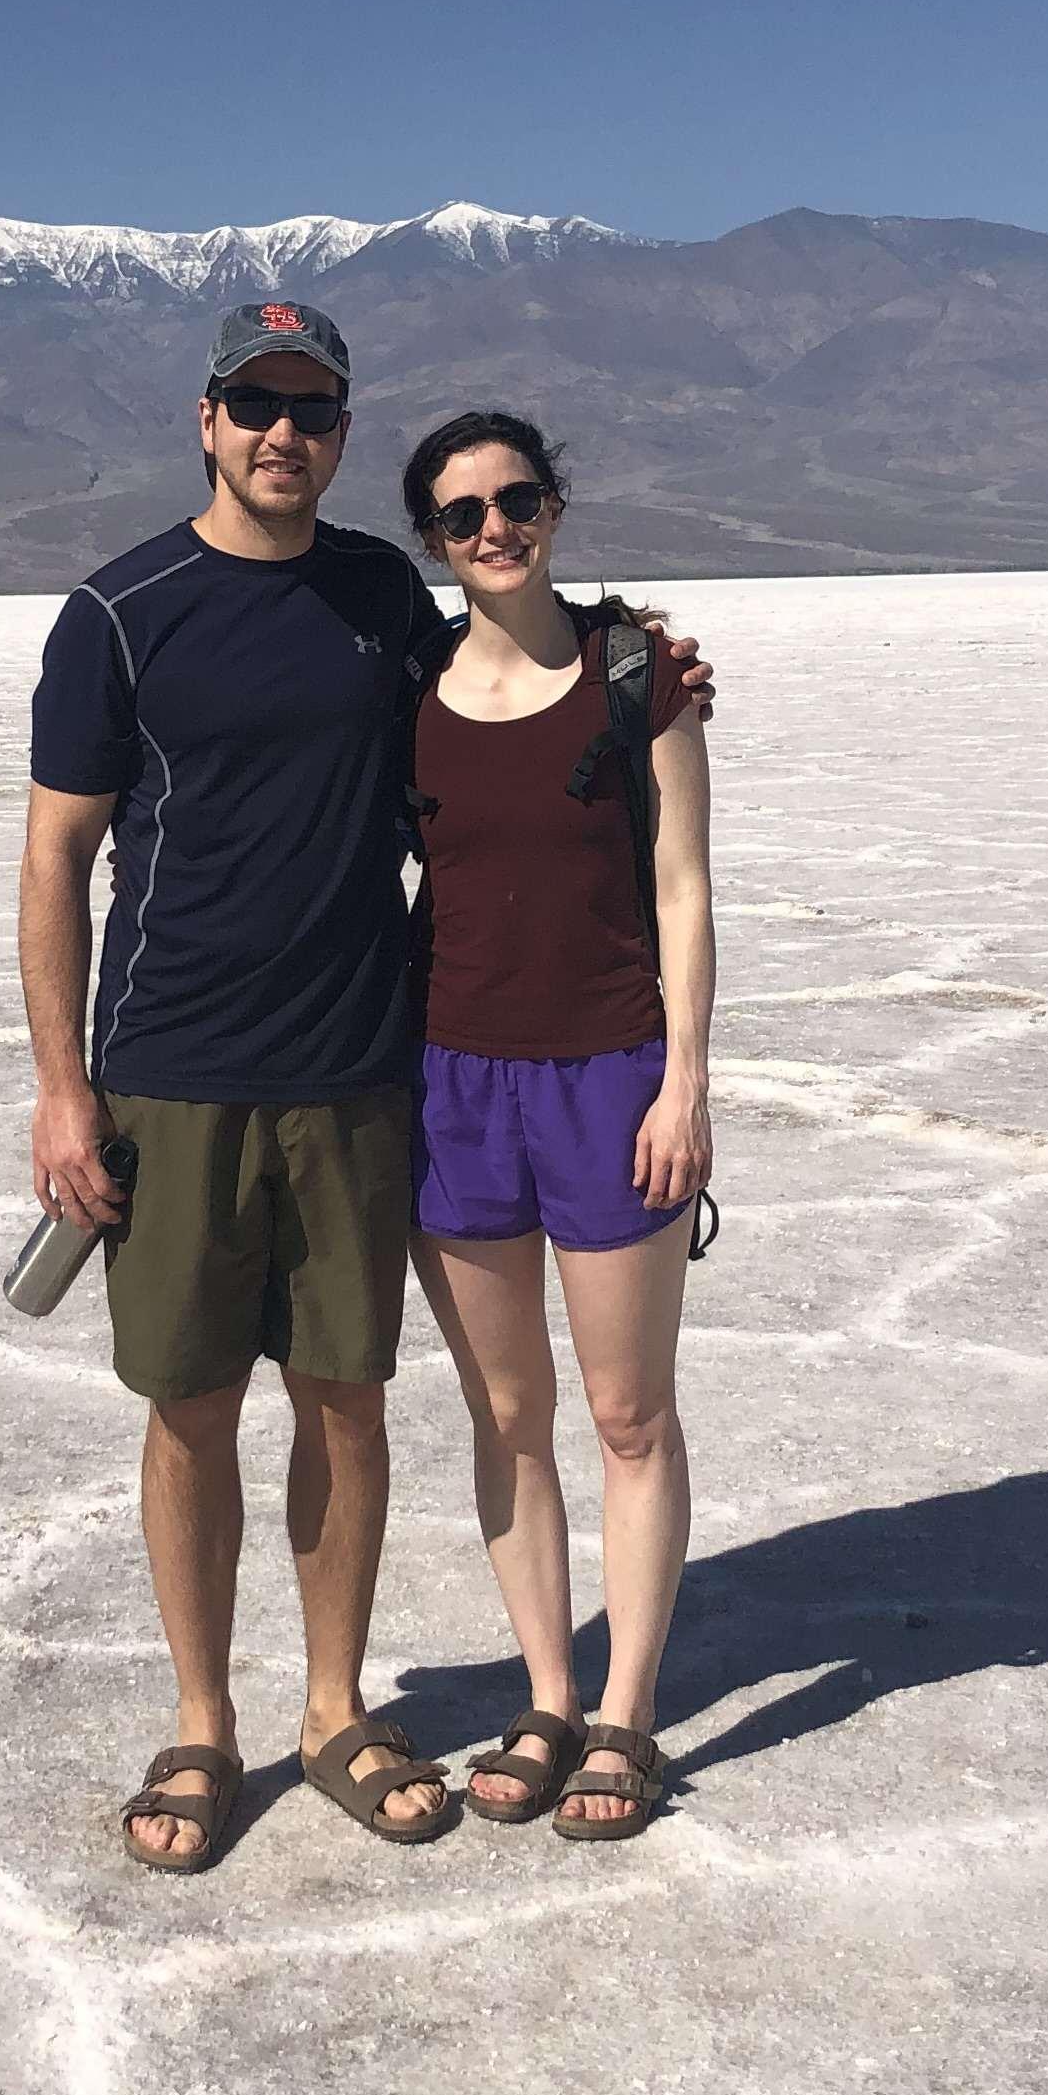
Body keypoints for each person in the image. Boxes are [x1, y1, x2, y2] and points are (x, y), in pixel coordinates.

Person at [19, 306, 709, 1873]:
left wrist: (640, 654)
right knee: (190, 1410)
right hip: (175, 1074)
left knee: (349, 1397)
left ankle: (336, 1709)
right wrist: (63, 1089)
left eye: (313, 408)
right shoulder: (120, 614)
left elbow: (512, 672)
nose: (284, 433)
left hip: (359, 1072)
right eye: (255, 404)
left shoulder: (376, 595)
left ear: (339, 433)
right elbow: (56, 858)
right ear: (205, 420)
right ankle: (207, 1725)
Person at [398, 408, 714, 1845]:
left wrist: (685, 1081)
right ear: (433, 541)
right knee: (506, 1415)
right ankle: (544, 1693)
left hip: (609, 1077)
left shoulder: (635, 670)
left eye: (516, 500)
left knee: (626, 1414)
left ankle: (626, 1715)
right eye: (462, 515)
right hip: (453, 1085)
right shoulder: (408, 684)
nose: (494, 530)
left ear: (555, 507)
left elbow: (686, 888)